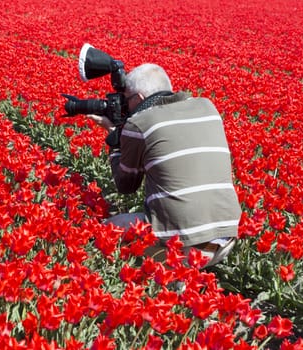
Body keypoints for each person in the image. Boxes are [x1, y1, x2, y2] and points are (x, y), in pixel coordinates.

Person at [87, 63, 241, 267]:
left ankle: (157, 285)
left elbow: (126, 186)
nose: (124, 105)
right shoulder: (207, 107)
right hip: (226, 238)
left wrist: (115, 138)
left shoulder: (140, 123)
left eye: (126, 100)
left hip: (182, 248)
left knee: (102, 232)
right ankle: (180, 283)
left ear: (140, 99)